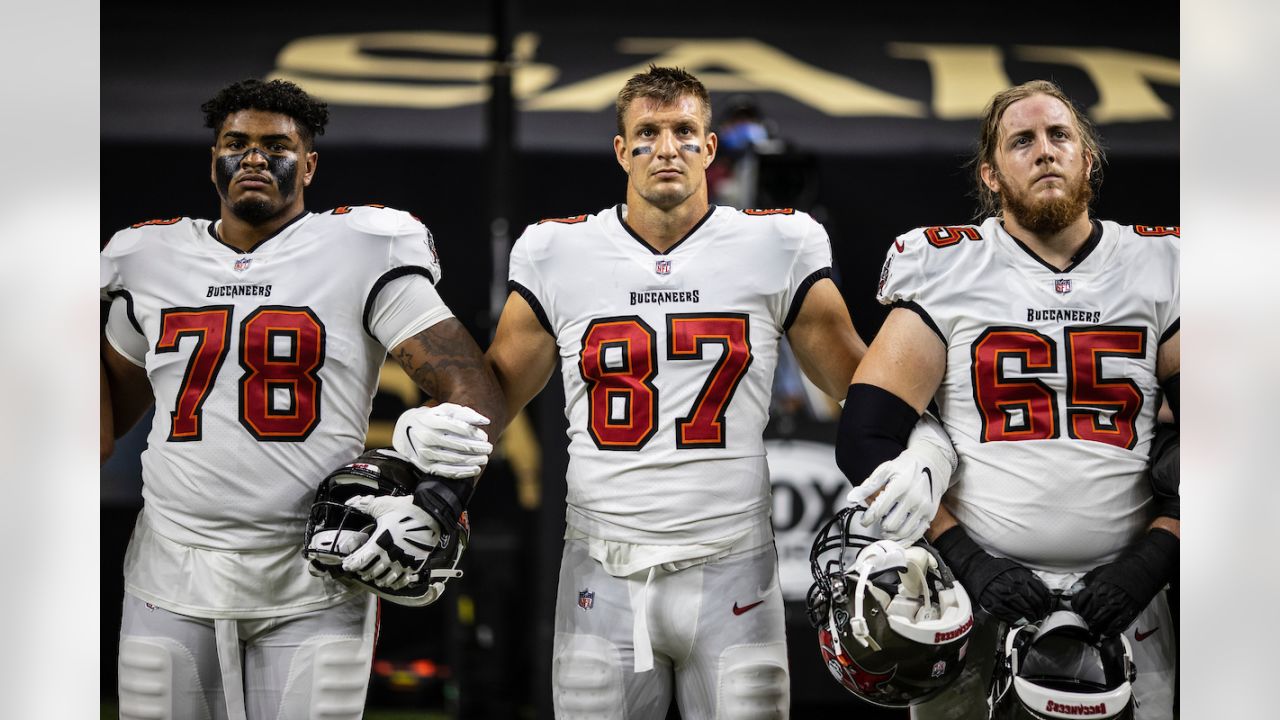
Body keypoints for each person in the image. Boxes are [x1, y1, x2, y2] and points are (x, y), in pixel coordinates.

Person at [100, 78, 505, 720]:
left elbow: (472, 387)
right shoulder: (146, 259)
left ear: (309, 165)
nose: (254, 158)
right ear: (214, 160)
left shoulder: (362, 248)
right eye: (236, 143)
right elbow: (102, 422)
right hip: (169, 570)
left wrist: (436, 497)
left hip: (315, 575)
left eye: (276, 146)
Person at [475, 65, 871, 719]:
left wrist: (927, 447)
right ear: (620, 149)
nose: (666, 147)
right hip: (602, 567)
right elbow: (495, 397)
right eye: (648, 132)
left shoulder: (777, 243)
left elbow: (855, 381)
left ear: (710, 149)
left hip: (735, 567)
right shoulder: (557, 250)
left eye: (685, 131)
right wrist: (429, 461)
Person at [834, 79, 1179, 719]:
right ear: (991, 174)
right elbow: (866, 434)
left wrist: (1151, 563)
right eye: (1022, 140)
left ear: (1089, 157)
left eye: (1060, 136)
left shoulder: (1161, 263)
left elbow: (1221, 438)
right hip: (975, 601)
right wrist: (967, 558)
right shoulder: (947, 265)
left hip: (1128, 598)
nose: (1044, 151)